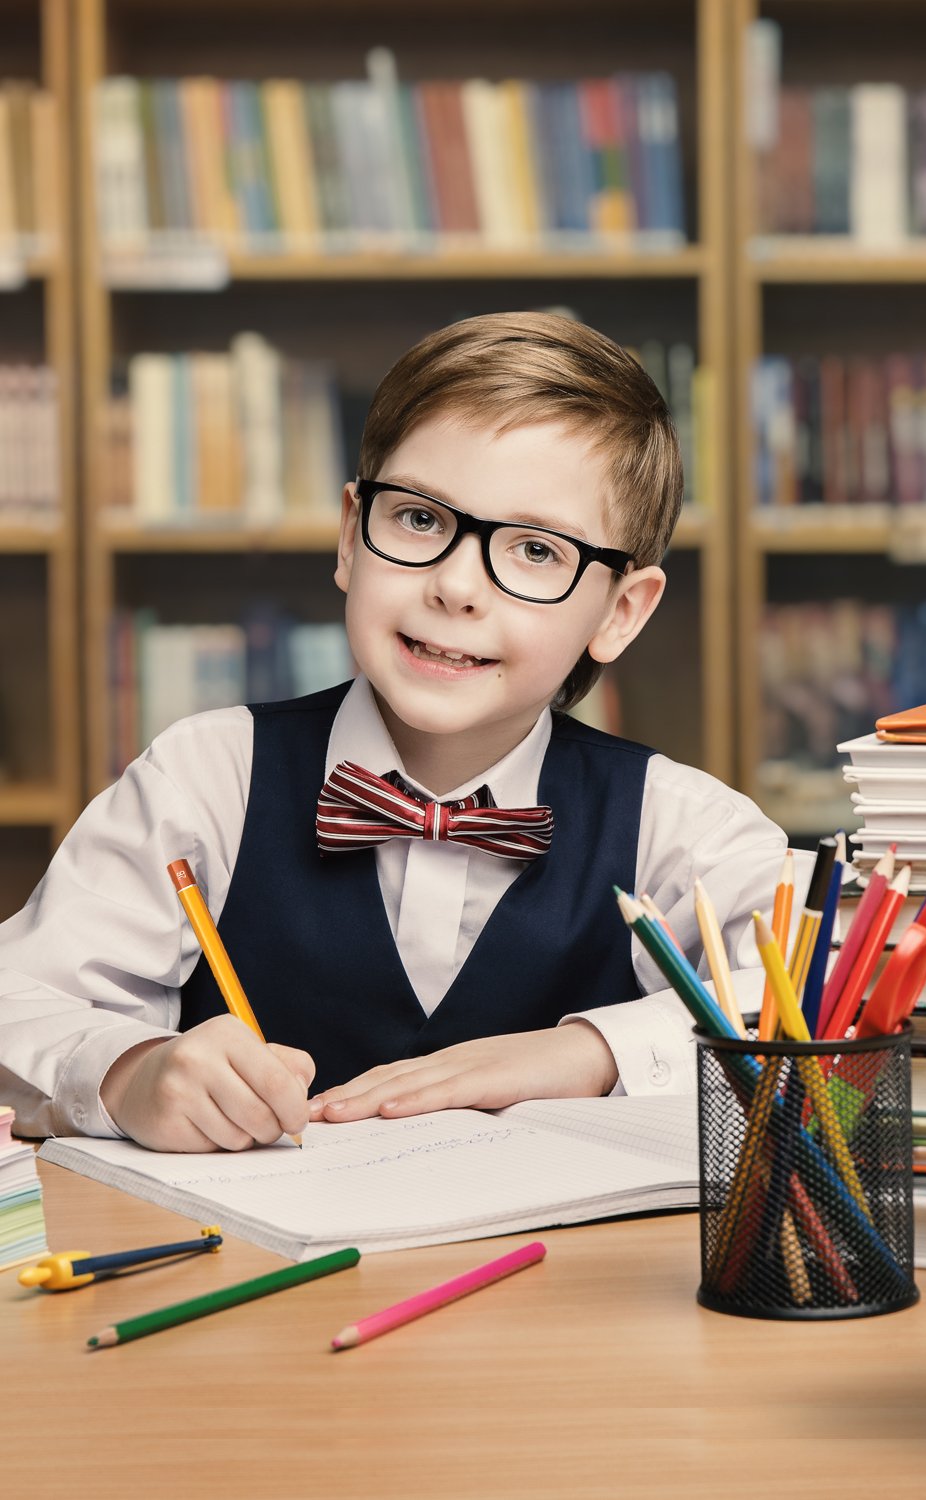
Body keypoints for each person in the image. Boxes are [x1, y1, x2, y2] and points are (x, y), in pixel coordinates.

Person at [0, 312, 789, 1151]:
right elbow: (23, 1000)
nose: (455, 587)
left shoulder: (682, 824)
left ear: (621, 612)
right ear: (350, 537)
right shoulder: (206, 778)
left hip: (569, 1279)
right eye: (419, 520)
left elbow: (821, 1007)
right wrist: (130, 1071)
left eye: (535, 551)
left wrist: (591, 1050)